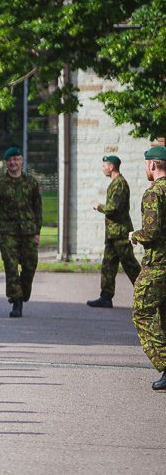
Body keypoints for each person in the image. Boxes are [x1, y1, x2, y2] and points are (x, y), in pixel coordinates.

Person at [0, 147, 42, 318]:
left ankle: (23, 293)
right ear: (5, 163)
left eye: (16, 159)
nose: (13, 163)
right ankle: (16, 302)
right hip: (8, 232)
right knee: (10, 267)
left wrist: (38, 231)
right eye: (9, 160)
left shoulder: (31, 182)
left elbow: (38, 208)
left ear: (21, 160)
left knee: (30, 266)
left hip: (29, 232)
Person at [130, 146, 166, 391]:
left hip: (158, 264)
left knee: (141, 312)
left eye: (146, 165)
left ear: (152, 165)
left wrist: (135, 235)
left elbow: (151, 232)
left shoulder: (154, 194)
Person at [87, 155, 140, 308]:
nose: (103, 168)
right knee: (108, 266)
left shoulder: (120, 184)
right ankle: (105, 297)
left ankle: (149, 294)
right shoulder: (115, 184)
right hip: (113, 234)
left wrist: (99, 207)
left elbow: (114, 208)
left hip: (120, 234)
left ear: (111, 167)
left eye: (104, 166)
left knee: (130, 265)